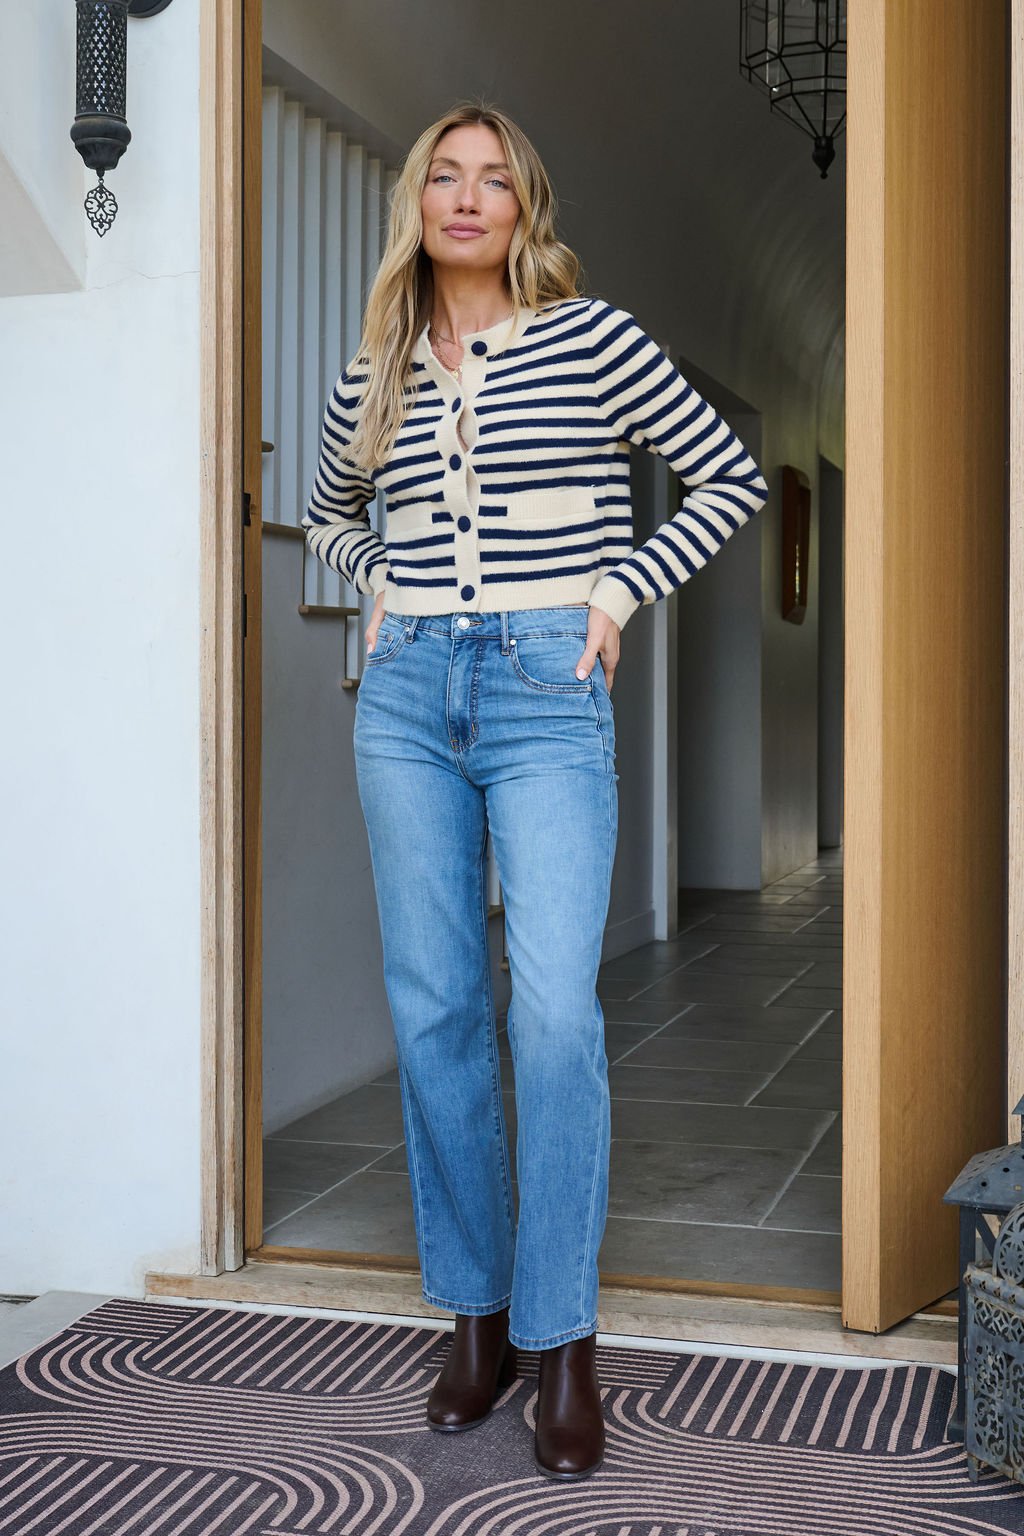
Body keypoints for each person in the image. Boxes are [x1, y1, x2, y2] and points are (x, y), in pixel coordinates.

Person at [302, 100, 768, 1482]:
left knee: (553, 1007)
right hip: (404, 699)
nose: (465, 197)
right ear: (417, 204)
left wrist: (616, 592)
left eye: (493, 179)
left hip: (544, 688)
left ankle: (564, 1337)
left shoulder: (596, 339)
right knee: (437, 1005)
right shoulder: (371, 372)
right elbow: (334, 513)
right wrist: (378, 586)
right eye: (443, 176)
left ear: (526, 209)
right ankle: (481, 1317)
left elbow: (728, 475)